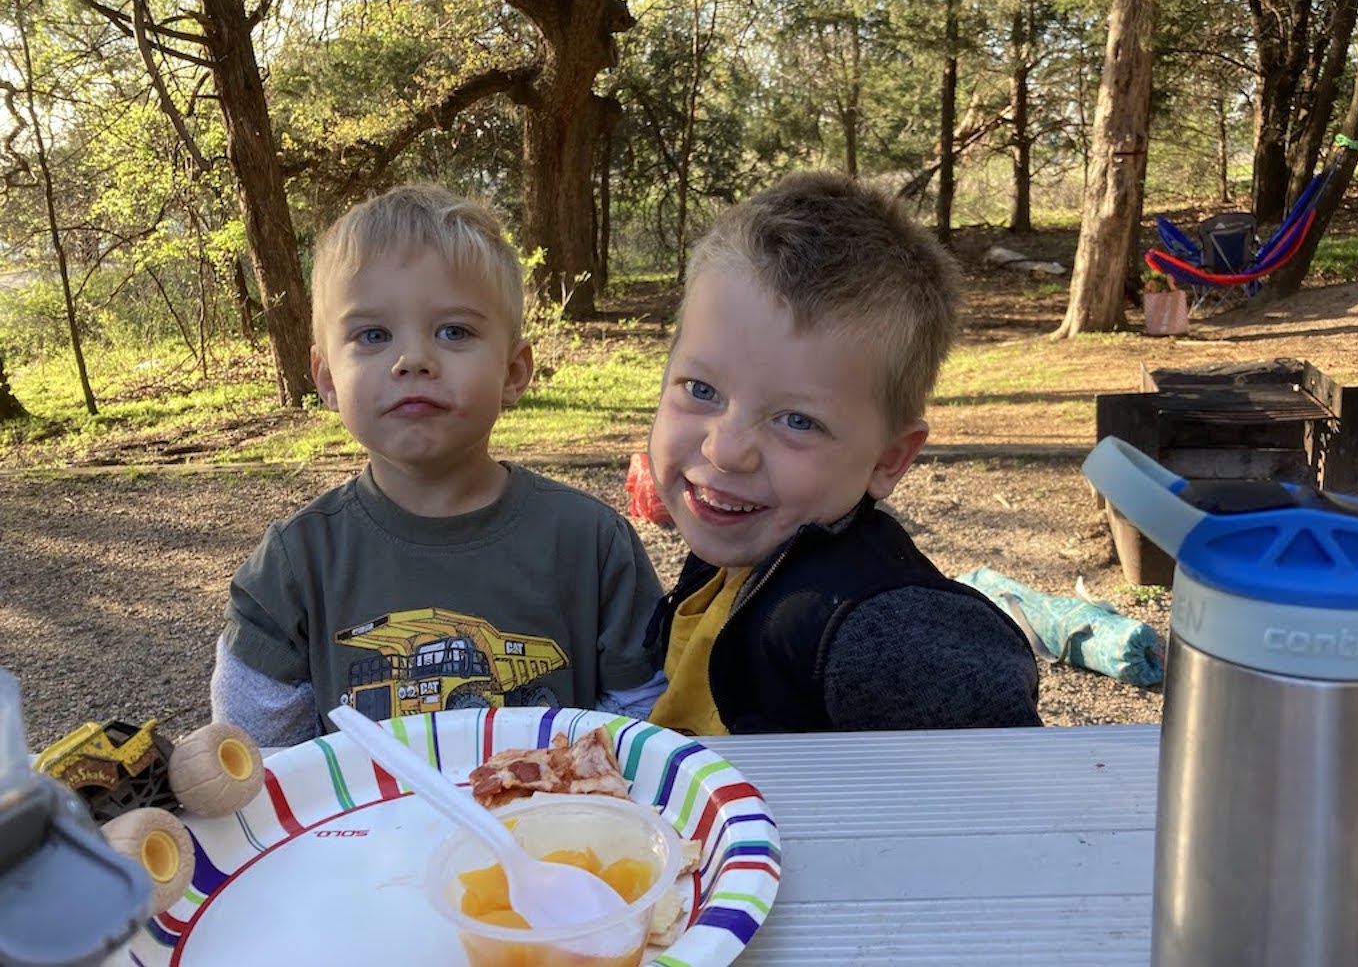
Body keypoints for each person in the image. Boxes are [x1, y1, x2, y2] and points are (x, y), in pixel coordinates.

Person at [210, 184, 665, 747]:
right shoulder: (293, 569)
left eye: (455, 331)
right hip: (369, 833)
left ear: (514, 372)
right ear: (327, 377)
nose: (413, 360)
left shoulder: (592, 545)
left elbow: (643, 730)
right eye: (372, 335)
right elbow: (256, 762)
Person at [644, 171, 1042, 735]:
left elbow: (1012, 788)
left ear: (888, 460)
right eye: (701, 390)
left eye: (797, 421)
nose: (726, 450)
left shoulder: (878, 634)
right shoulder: (740, 537)